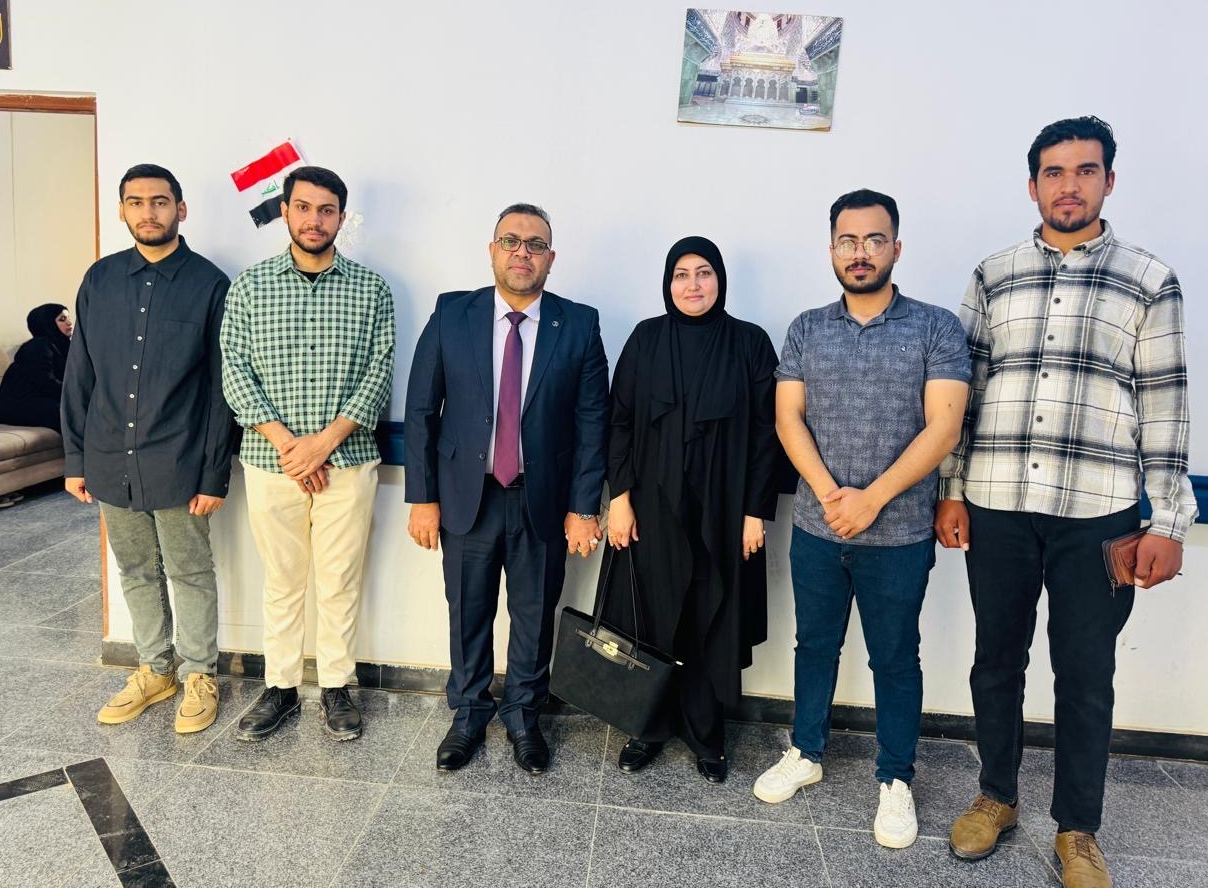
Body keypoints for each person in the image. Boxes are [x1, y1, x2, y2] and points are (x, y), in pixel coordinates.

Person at [938, 117, 1196, 888]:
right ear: (1033, 185)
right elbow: (962, 394)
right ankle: (996, 795)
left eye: (1086, 171)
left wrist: (1169, 519)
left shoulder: (1148, 280)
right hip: (998, 505)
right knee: (996, 659)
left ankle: (1078, 829)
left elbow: (1165, 404)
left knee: (1086, 673)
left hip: (1100, 514)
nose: (1069, 185)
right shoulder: (994, 275)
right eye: (1054, 172)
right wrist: (951, 488)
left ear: (1109, 181)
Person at [752, 190, 969, 849]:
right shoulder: (807, 328)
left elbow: (944, 427)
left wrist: (871, 499)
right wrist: (830, 495)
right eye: (848, 241)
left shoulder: (935, 327)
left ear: (896, 248)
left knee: (895, 658)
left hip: (898, 536)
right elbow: (787, 417)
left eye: (875, 240)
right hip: (818, 530)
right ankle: (806, 752)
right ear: (832, 250)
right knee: (814, 646)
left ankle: (895, 778)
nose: (861, 252)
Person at [404, 203, 608, 775]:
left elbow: (593, 422)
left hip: (541, 500)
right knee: (468, 611)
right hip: (465, 497)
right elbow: (421, 410)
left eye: (536, 244)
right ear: (492, 250)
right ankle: (469, 714)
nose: (523, 252)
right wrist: (422, 497)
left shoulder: (579, 324)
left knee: (534, 615)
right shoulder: (452, 313)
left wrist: (583, 508)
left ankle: (523, 715)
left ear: (550, 258)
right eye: (511, 241)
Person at [221, 166, 395, 744]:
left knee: (340, 579)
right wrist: (289, 446)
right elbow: (235, 372)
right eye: (303, 207)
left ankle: (337, 686)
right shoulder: (250, 287)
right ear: (285, 211)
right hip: (271, 462)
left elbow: (378, 374)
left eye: (326, 210)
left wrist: (322, 444)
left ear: (341, 217)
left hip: (348, 460)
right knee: (282, 579)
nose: (314, 220)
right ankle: (281, 687)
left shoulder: (371, 290)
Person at [61, 164, 232, 734]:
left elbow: (221, 389)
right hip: (110, 457)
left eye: (160, 201)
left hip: (179, 460)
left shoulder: (210, 283)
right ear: (122, 211)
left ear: (180, 209)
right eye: (135, 202)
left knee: (190, 570)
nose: (148, 212)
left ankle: (199, 675)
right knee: (135, 569)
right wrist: (76, 459)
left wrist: (213, 474)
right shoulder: (100, 279)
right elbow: (80, 373)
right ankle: (154, 670)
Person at [603, 236, 780, 785]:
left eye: (704, 272)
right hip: (651, 511)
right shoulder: (646, 338)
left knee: (710, 616)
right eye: (682, 274)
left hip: (724, 513)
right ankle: (647, 727)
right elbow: (619, 422)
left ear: (720, 280)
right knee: (652, 615)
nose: (693, 284)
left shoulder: (750, 343)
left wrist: (755, 511)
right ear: (668, 283)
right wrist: (618, 499)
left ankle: (706, 734)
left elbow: (768, 434)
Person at [0, 303, 73, 432]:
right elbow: (46, 383)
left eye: (69, 318)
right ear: (47, 323)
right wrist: (75, 394)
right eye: (62, 319)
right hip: (17, 404)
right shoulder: (37, 346)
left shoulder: (63, 345)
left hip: (39, 399)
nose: (69, 322)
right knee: (69, 412)